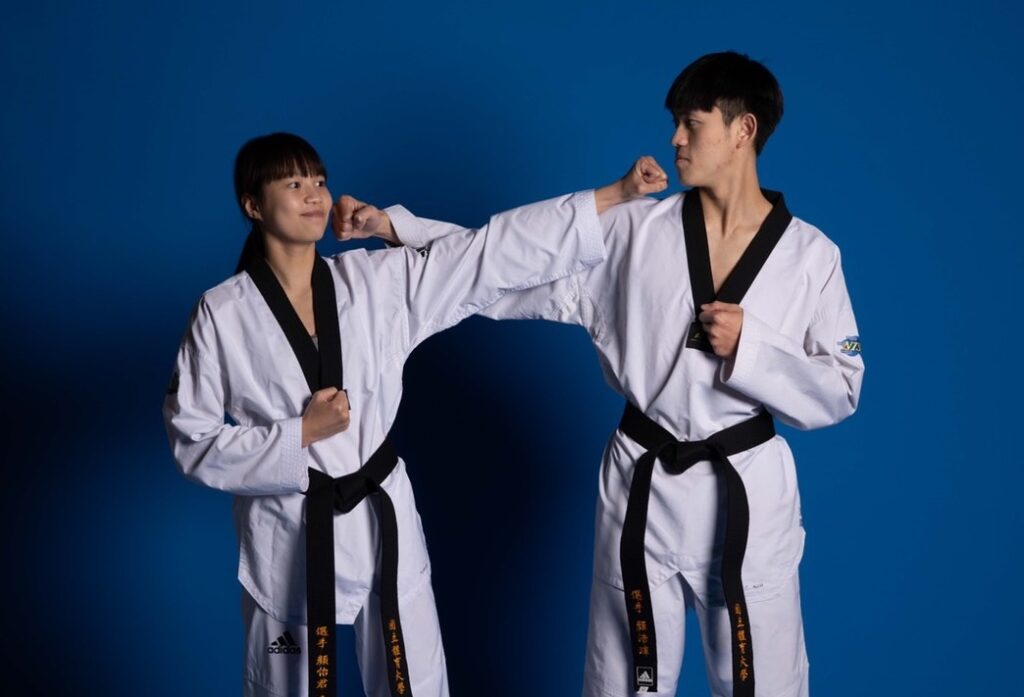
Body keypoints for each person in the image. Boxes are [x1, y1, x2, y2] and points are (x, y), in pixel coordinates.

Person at [357, 52, 864, 697]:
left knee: (765, 685)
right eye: (674, 122)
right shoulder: (634, 230)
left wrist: (754, 348)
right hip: (644, 482)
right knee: (623, 683)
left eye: (692, 123)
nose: (675, 138)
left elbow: (840, 388)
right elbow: (509, 269)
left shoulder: (811, 255)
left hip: (747, 491)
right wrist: (402, 231)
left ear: (744, 130)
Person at [162, 132, 666, 697]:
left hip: (382, 515)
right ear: (253, 205)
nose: (314, 195)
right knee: (283, 681)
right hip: (289, 526)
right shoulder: (222, 312)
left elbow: (487, 251)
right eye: (294, 183)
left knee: (416, 682)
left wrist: (611, 195)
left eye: (320, 181)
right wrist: (297, 434)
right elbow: (191, 439)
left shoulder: (375, 281)